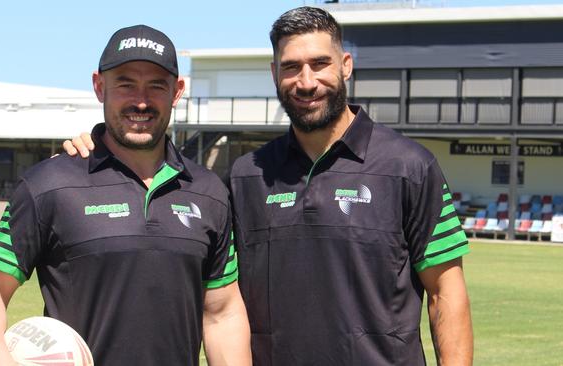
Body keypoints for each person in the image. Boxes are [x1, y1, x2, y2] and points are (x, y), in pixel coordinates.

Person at [64, 8, 473, 366]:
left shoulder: (410, 166)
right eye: (291, 67)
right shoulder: (247, 175)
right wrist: (92, 155)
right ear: (274, 73)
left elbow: (446, 293)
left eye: (320, 63)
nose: (306, 81)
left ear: (345, 65)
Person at [0, 24, 251, 366]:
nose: (140, 101)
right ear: (100, 87)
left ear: (177, 91)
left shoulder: (208, 192)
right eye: (126, 84)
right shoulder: (49, 183)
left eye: (156, 86)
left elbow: (222, 313)